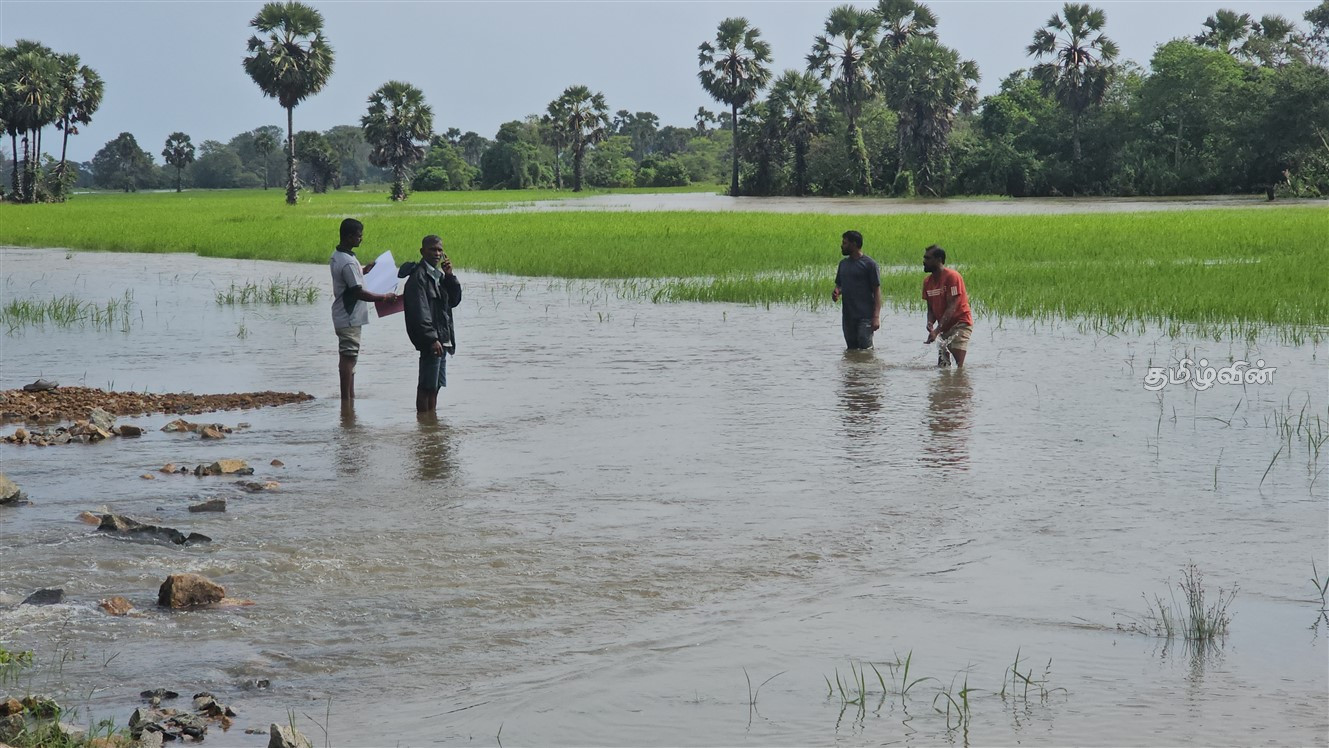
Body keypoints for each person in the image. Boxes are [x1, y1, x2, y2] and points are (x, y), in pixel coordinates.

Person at [330, 218, 397, 401]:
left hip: (344, 316)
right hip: (349, 316)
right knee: (348, 358)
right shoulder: (348, 262)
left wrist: (364, 270)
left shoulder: (340, 255)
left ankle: (349, 399)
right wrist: (384, 297)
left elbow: (351, 276)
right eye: (359, 236)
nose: (361, 239)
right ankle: (346, 400)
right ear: (350, 237)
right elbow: (358, 292)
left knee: (350, 358)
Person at [400, 234, 462, 413]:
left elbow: (454, 301)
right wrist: (431, 339)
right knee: (426, 385)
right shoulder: (418, 278)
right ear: (422, 251)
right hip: (432, 341)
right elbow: (420, 312)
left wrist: (450, 276)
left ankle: (431, 424)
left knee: (436, 386)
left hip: (443, 339)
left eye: (440, 250)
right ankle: (424, 425)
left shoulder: (439, 276)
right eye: (432, 249)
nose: (437, 253)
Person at [922, 244, 973, 368]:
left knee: (959, 367)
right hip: (944, 327)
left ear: (939, 260)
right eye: (924, 258)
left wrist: (937, 330)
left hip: (960, 323)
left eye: (928, 258)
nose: (924, 261)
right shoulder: (927, 282)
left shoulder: (952, 277)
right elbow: (930, 308)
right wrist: (930, 322)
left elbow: (952, 306)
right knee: (943, 366)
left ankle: (958, 386)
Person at [831, 230, 881, 350]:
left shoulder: (870, 264)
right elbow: (840, 285)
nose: (841, 246)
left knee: (865, 349)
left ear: (853, 244)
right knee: (851, 350)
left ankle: (868, 369)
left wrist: (876, 317)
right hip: (848, 316)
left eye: (844, 243)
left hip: (865, 316)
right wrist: (837, 291)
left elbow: (877, 291)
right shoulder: (843, 264)